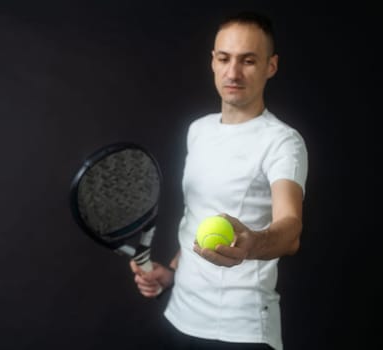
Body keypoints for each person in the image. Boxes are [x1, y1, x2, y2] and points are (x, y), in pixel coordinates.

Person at [130, 11, 308, 350]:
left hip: (241, 330)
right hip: (181, 316)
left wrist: (252, 243)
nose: (233, 72)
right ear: (213, 61)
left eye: (249, 61)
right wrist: (171, 273)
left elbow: (291, 228)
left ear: (271, 66)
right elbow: (198, 216)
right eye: (224, 58)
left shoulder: (283, 141)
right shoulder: (198, 130)